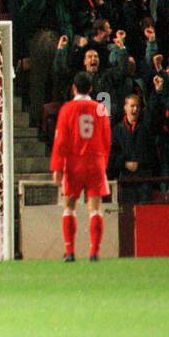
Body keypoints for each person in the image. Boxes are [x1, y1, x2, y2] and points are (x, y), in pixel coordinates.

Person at [50, 71, 111, 262]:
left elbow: (60, 140)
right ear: (91, 88)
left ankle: (69, 252)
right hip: (95, 162)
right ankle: (94, 252)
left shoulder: (67, 109)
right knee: (95, 209)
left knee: (69, 207)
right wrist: (103, 163)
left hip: (74, 163)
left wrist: (57, 167)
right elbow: (107, 140)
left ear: (73, 88)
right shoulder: (100, 108)